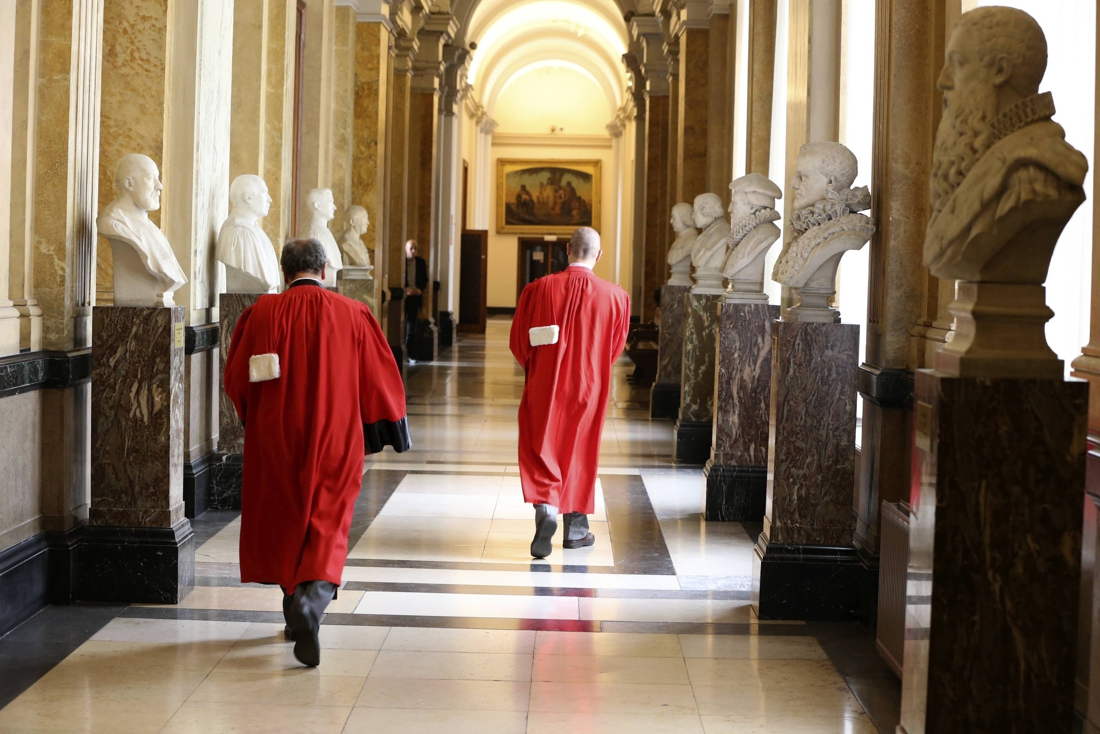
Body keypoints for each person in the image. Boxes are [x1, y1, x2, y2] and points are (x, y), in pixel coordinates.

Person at [223, 238, 411, 667]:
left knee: (288, 515)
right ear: (324, 270)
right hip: (336, 435)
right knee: (327, 517)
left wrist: (256, 420)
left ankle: (294, 609)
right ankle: (315, 597)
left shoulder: (260, 314)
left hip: (275, 436)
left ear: (284, 272)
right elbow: (379, 374)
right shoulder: (353, 313)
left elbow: (236, 380)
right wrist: (390, 424)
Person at [509, 227, 630, 558]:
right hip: (590, 384)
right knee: (580, 448)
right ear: (599, 256)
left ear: (567, 250)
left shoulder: (538, 289)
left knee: (541, 443)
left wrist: (536, 369)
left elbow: (519, 340)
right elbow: (615, 347)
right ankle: (576, 531)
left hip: (545, 381)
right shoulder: (617, 297)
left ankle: (546, 504)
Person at [403, 239, 429, 359]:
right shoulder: (401, 262)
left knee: (412, 327)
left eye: (415, 248)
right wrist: (405, 289)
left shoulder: (420, 262)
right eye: (411, 248)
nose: (413, 251)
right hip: (403, 297)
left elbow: (424, 279)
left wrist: (420, 289)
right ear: (405, 249)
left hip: (415, 297)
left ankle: (410, 353)